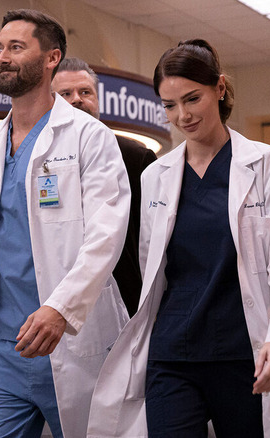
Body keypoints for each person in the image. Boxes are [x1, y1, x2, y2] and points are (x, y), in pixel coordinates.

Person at [88, 39, 270, 437]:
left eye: (192, 99)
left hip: (244, 352)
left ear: (220, 89)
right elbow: (151, 266)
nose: (183, 115)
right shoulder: (155, 176)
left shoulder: (269, 166)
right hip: (172, 353)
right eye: (169, 105)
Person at [0, 9, 130, 438]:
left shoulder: (88, 136)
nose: (2, 58)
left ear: (51, 58)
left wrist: (60, 308)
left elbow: (106, 234)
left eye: (16, 47)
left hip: (70, 340)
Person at [51, 57, 157, 316]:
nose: (77, 99)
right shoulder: (40, 162)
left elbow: (154, 239)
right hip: (55, 296)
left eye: (85, 92)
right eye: (66, 93)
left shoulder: (135, 157)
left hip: (127, 297)